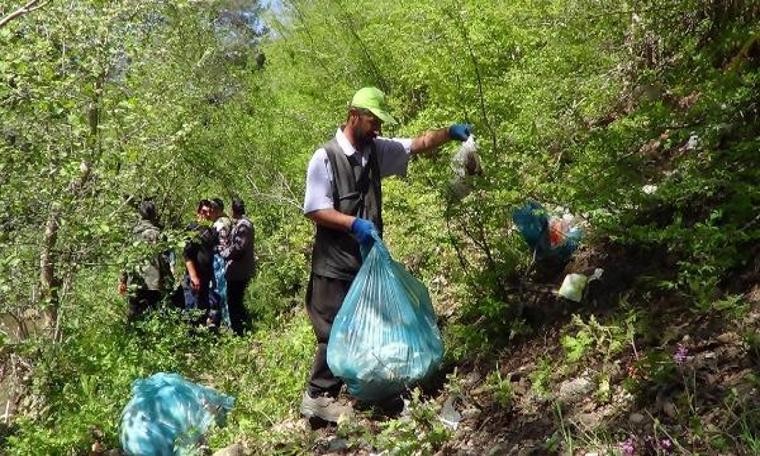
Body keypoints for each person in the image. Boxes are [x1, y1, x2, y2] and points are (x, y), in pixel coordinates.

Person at [299, 86, 472, 422]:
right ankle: (318, 397)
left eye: (380, 122)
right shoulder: (325, 157)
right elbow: (315, 209)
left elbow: (417, 144)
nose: (378, 128)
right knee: (332, 330)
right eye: (373, 121)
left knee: (369, 326)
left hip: (367, 260)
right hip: (334, 264)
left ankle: (375, 389)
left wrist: (450, 133)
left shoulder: (375, 150)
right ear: (353, 117)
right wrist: (353, 224)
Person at [119, 200, 173, 322]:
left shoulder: (132, 233)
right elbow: (164, 260)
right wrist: (167, 280)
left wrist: (123, 280)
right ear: (153, 214)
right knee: (153, 315)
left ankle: (132, 338)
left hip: (135, 280)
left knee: (134, 314)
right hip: (154, 282)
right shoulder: (158, 234)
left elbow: (125, 258)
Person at [220, 197, 256, 336]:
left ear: (234, 210)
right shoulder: (241, 224)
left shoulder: (244, 225)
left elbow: (238, 248)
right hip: (238, 270)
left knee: (234, 302)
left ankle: (240, 332)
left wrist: (224, 253)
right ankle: (241, 329)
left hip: (239, 272)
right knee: (235, 301)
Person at [182, 199, 219, 327]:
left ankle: (202, 334)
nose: (206, 214)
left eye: (209, 212)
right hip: (194, 276)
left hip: (206, 276)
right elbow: (187, 254)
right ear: (198, 212)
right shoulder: (192, 229)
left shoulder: (210, 231)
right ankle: (190, 336)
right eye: (203, 211)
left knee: (204, 306)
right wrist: (193, 276)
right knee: (191, 306)